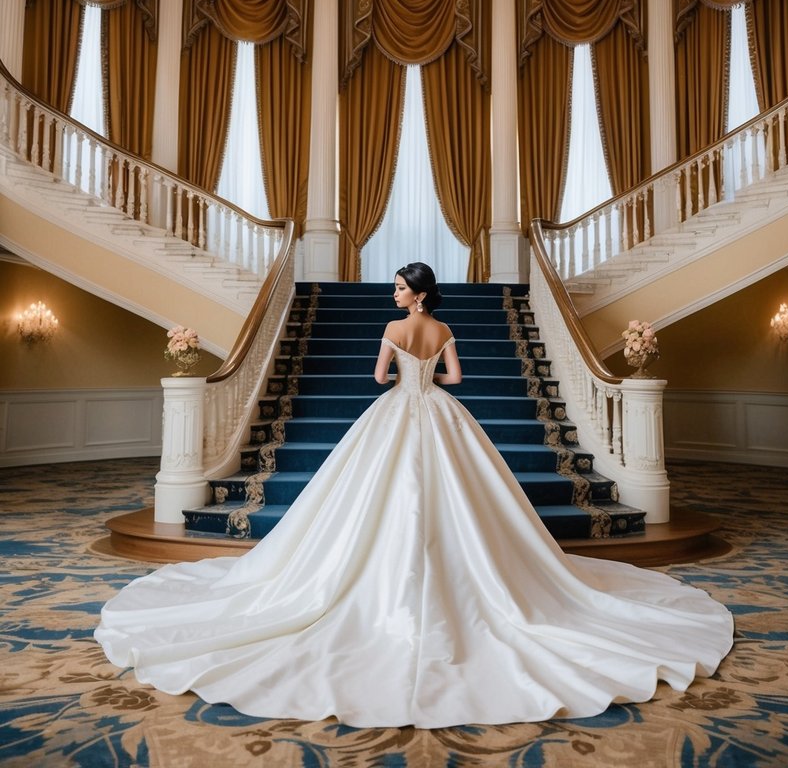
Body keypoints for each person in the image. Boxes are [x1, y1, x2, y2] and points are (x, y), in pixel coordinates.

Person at [95, 262, 733, 729]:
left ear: (416, 293)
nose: (394, 294)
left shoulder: (395, 330)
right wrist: (430, 378)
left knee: (373, 500)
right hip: (441, 414)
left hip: (397, 413)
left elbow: (378, 379)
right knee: (465, 499)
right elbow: (455, 377)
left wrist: (396, 368)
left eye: (400, 288)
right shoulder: (444, 327)